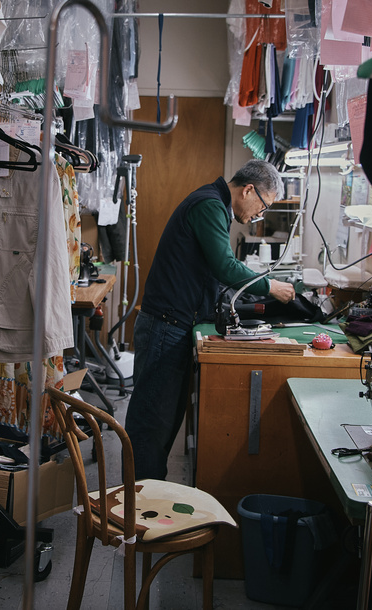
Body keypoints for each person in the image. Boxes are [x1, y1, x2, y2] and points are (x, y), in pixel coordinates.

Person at [125, 159, 297, 481]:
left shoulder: (213, 204)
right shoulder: (209, 205)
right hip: (166, 325)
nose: (258, 215)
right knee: (151, 428)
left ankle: (149, 502)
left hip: (173, 324)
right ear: (248, 190)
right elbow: (226, 267)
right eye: (262, 205)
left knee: (162, 427)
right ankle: (137, 516)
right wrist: (270, 286)